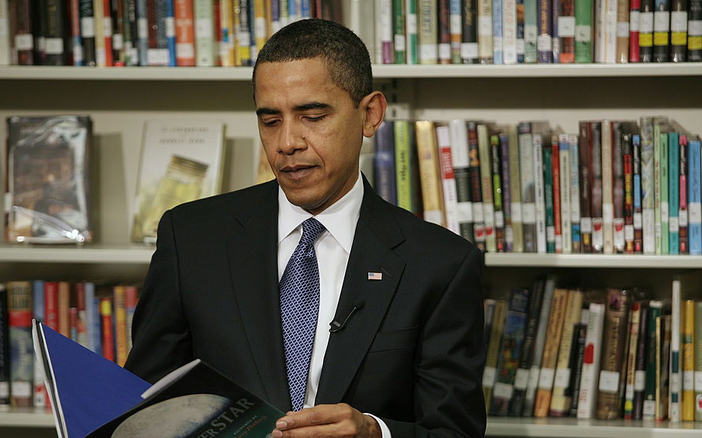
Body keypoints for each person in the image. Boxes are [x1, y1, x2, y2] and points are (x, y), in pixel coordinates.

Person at [125, 18, 486, 438]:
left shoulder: (441, 264)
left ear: (370, 115)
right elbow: (143, 409)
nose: (286, 143)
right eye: (270, 121)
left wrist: (374, 433)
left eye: (312, 116)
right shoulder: (190, 237)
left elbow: (455, 431)